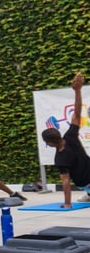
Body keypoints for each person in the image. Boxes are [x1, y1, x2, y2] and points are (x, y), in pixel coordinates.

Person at [41, 72, 90, 207]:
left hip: (86, 184)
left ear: (50, 143)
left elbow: (66, 182)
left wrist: (67, 203)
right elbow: (77, 113)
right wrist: (78, 91)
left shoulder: (60, 159)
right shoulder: (70, 136)